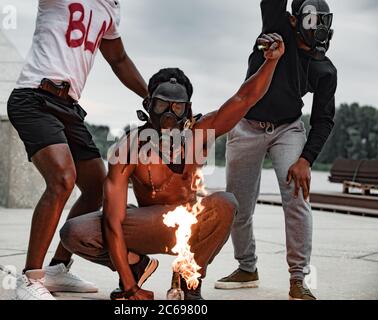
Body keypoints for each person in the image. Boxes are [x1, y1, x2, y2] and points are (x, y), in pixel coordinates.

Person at [59, 34, 285, 300]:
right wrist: (130, 287)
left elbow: (245, 98)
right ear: (148, 105)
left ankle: (189, 281)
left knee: (226, 203)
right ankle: (136, 265)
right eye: (162, 105)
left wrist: (271, 61)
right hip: (148, 225)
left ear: (188, 111)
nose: (169, 113)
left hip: (192, 227)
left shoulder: (200, 133)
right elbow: (111, 223)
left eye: (177, 107)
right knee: (75, 232)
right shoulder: (128, 148)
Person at [7, 0, 148, 300]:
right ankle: (30, 278)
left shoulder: (110, 8)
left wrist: (152, 96)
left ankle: (58, 268)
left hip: (69, 107)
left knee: (97, 186)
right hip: (34, 97)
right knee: (61, 180)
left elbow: (119, 59)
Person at [215, 0, 337, 300]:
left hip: (288, 128)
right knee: (237, 204)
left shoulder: (325, 69)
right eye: (311, 21)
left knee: (297, 198)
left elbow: (323, 120)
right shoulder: (277, 27)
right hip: (247, 125)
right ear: (294, 21)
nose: (318, 29)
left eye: (323, 21)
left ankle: (298, 279)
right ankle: (247, 267)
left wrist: (306, 159)